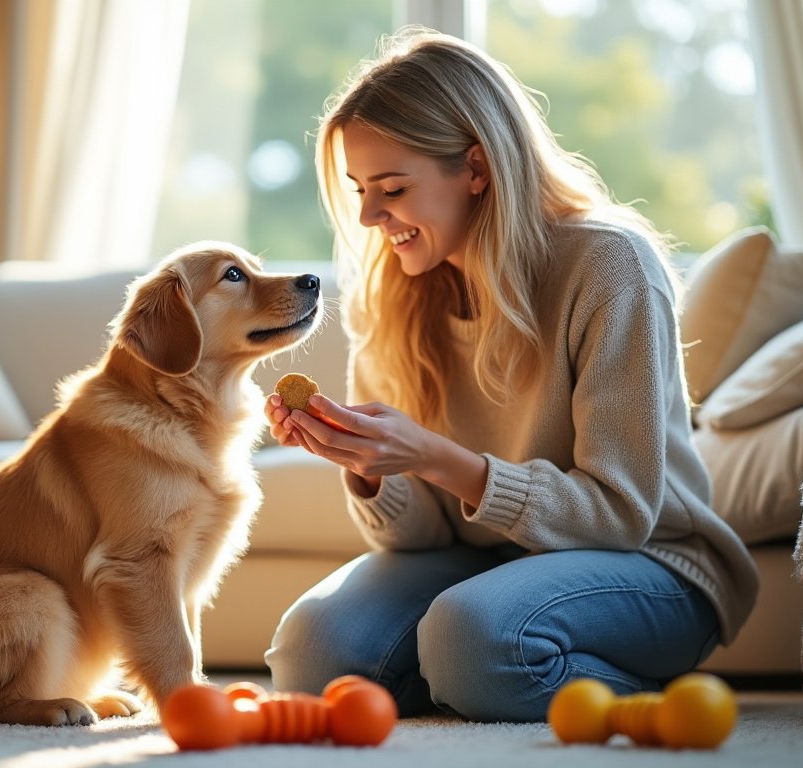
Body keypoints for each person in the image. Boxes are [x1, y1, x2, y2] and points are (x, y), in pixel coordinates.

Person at [262, 27, 759, 723]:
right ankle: (477, 676)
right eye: (360, 191)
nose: (371, 218)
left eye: (392, 188)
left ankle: (575, 688)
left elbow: (619, 513)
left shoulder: (609, 269)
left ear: (476, 168)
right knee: (311, 656)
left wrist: (436, 455)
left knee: (469, 638)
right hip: (486, 567)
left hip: (650, 562)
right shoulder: (397, 292)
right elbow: (422, 537)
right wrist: (369, 464)